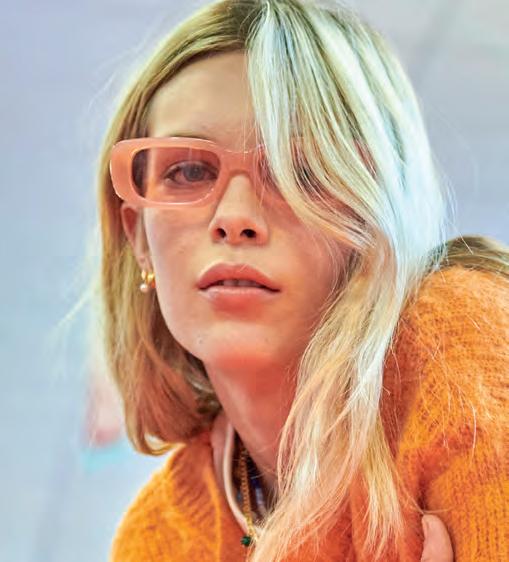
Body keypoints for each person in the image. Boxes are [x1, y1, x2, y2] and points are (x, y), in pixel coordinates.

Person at [91, 0, 509, 560]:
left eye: (300, 171)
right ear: (138, 236)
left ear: (372, 214)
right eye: (188, 171)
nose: (234, 217)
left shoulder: (459, 344)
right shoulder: (158, 540)